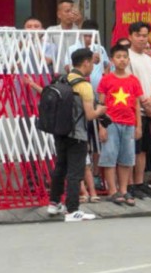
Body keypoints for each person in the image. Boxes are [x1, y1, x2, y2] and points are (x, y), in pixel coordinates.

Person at [46, 47, 107, 221]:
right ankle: (72, 210)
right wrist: (101, 110)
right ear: (86, 62)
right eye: (91, 63)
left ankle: (54, 203)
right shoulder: (84, 85)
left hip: (60, 131)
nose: (92, 67)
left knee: (60, 167)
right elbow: (89, 115)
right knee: (75, 171)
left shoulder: (62, 79)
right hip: (77, 134)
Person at [97, 44, 143, 206]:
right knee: (109, 156)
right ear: (112, 60)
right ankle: (112, 190)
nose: (122, 60)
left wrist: (139, 126)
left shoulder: (133, 80)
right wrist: (101, 127)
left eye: (124, 57)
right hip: (111, 123)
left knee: (126, 158)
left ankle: (123, 189)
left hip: (129, 123)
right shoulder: (106, 79)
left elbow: (137, 105)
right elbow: (101, 104)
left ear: (128, 60)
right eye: (118, 57)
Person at [127, 21, 151, 199]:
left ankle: (139, 182)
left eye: (145, 35)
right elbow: (131, 84)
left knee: (144, 149)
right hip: (134, 110)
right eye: (138, 35)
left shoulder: (148, 59)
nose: (142, 39)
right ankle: (130, 184)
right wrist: (144, 102)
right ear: (130, 36)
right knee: (133, 148)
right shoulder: (127, 57)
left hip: (148, 109)